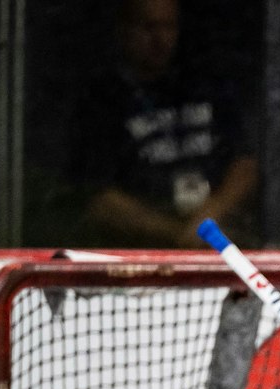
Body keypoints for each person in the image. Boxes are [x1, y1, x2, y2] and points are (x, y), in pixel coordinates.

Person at [69, 0, 259, 248]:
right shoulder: (103, 101)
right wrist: (178, 234)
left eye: (168, 27)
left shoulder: (203, 84)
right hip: (142, 257)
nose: (160, 39)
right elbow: (99, 201)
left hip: (220, 241)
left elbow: (245, 164)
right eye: (149, 27)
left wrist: (212, 215)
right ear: (124, 31)